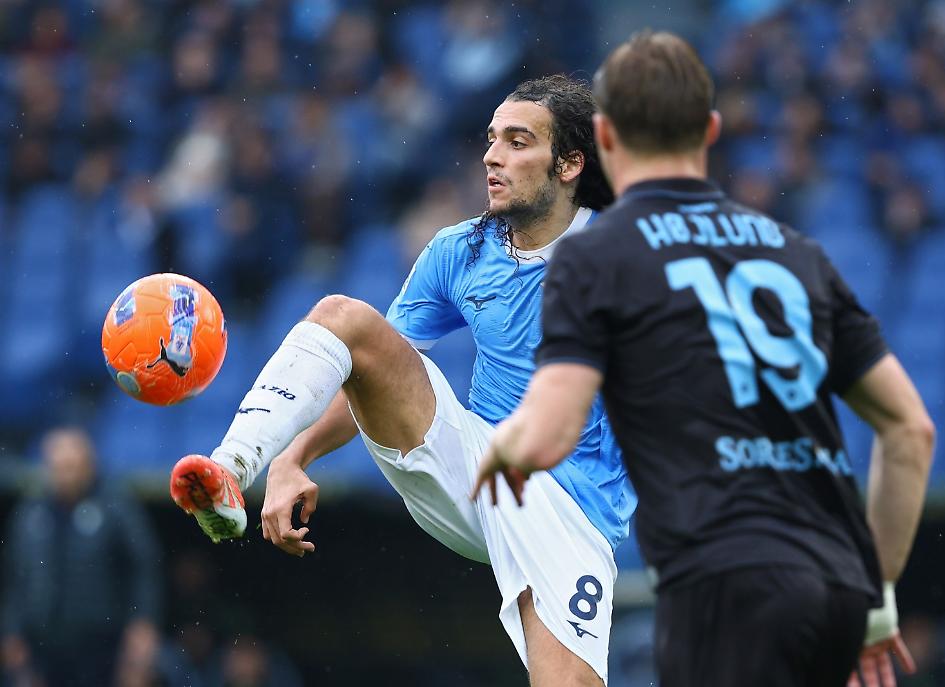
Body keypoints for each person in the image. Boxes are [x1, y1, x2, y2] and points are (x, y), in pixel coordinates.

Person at [474, 31, 935, 687]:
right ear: (710, 129)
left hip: (721, 581)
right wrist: (875, 596)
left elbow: (551, 425)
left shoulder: (600, 256)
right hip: (829, 580)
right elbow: (910, 429)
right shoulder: (794, 251)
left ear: (602, 139)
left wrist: (501, 446)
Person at [169, 75, 636, 686]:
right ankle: (232, 468)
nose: (493, 156)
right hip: (476, 464)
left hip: (570, 505)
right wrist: (293, 458)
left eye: (519, 142)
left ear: (570, 163)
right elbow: (365, 368)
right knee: (346, 319)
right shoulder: (460, 251)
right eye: (491, 139)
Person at [1, 427, 162, 687]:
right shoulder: (30, 514)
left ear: (89, 466)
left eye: (71, 467)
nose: (64, 475)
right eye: (57, 467)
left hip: (102, 646)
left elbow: (142, 569)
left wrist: (142, 625)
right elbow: (14, 580)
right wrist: (11, 633)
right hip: (43, 646)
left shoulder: (116, 507)